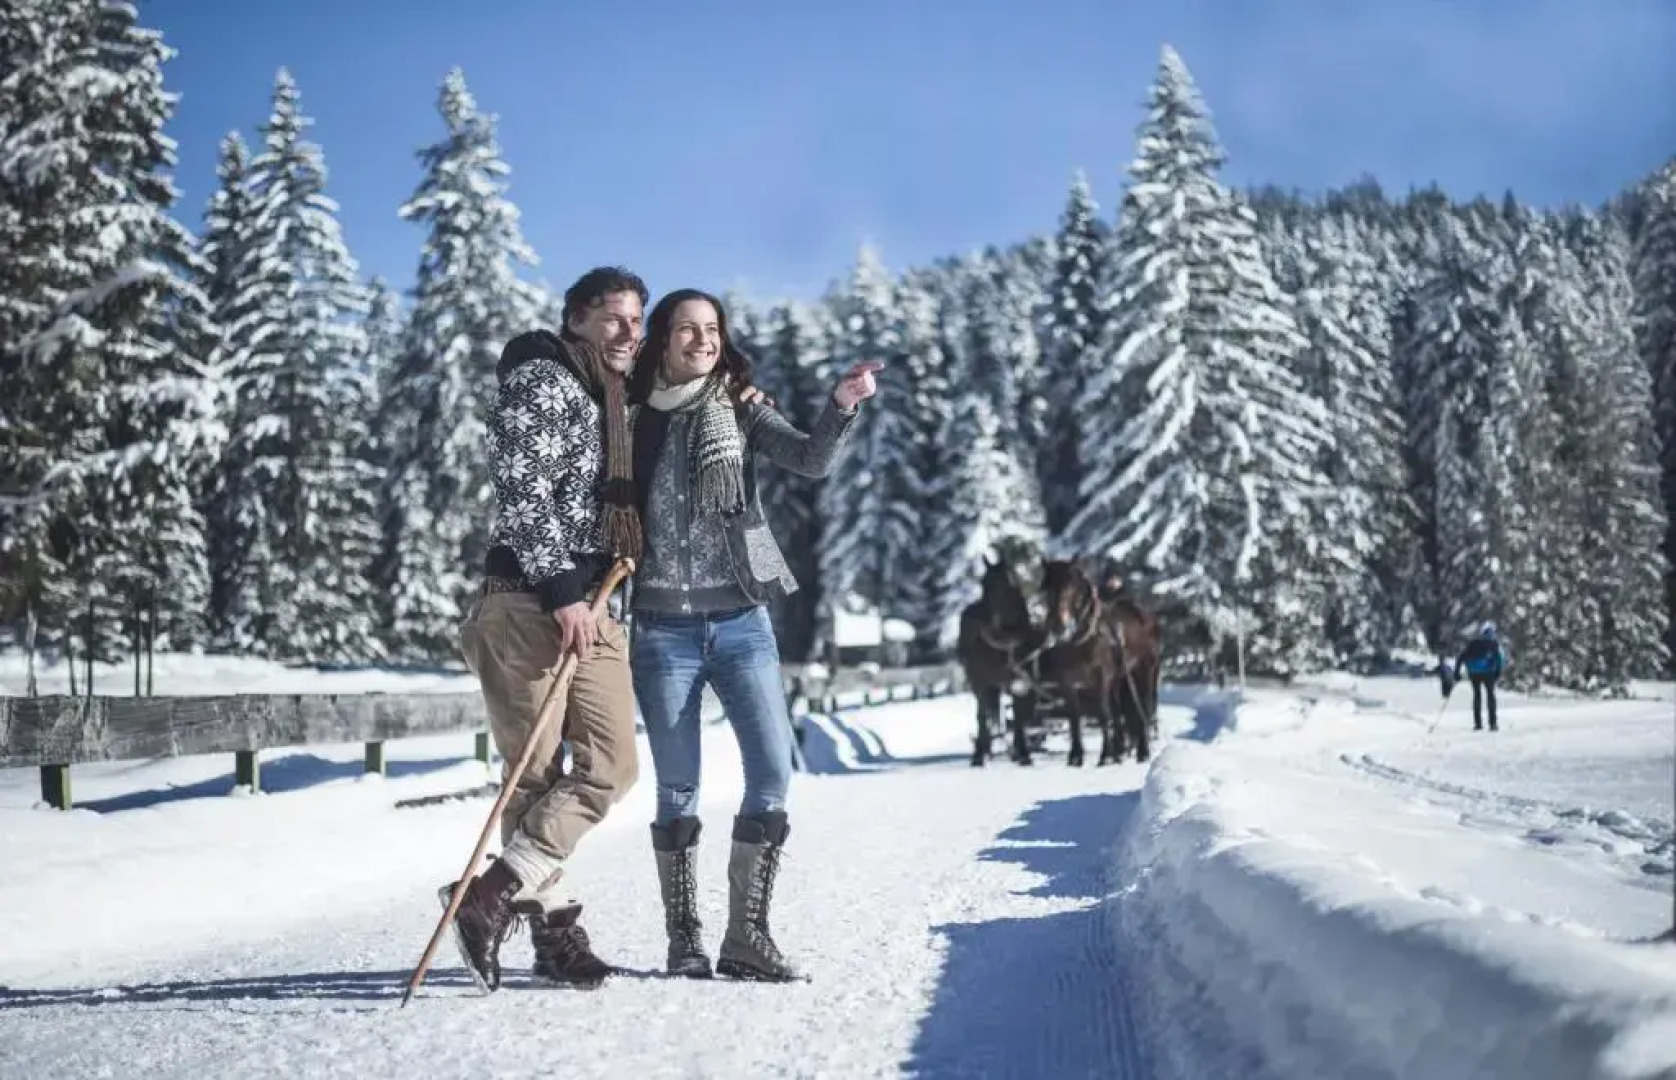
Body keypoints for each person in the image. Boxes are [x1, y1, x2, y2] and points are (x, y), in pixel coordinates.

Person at [628, 288, 879, 982]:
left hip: (743, 617)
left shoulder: (740, 406)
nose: (702, 340)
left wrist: (841, 406)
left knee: (773, 772)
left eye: (712, 329)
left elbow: (811, 460)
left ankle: (746, 937)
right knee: (677, 789)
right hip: (660, 629)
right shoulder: (629, 413)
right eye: (687, 329)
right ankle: (684, 941)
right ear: (662, 338)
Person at [444, 266, 650, 993]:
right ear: (577, 319)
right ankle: (556, 935)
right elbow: (523, 490)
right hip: (530, 600)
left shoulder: (611, 397)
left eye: (637, 321)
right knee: (532, 779)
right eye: (614, 318)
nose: (630, 333)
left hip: (593, 601)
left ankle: (491, 893)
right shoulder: (545, 376)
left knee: (612, 765)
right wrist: (562, 591)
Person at [1453, 622, 1508, 732]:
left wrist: (1457, 673)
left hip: (1474, 673)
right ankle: (1493, 723)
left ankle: (1478, 724)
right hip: (1488, 672)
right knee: (1490, 696)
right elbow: (1499, 660)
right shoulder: (1494, 644)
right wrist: (1498, 673)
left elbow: (1461, 657)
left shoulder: (1473, 644)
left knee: (1477, 696)